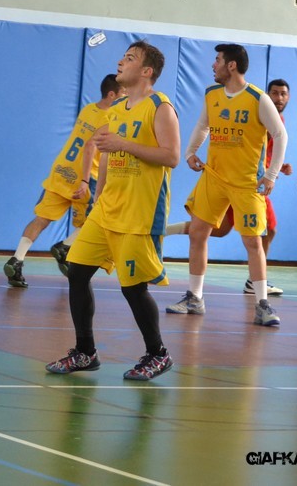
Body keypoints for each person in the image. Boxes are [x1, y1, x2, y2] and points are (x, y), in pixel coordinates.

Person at [46, 41, 179, 381]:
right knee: (76, 271)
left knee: (133, 287)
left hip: (139, 213)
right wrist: (98, 195)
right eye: (123, 56)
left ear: (146, 71)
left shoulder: (160, 107)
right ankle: (85, 352)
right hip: (107, 209)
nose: (121, 61)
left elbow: (171, 156)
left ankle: (158, 354)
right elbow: (106, 152)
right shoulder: (117, 107)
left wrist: (125, 145)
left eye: (130, 58)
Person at [166, 44, 287, 326]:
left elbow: (280, 135)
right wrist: (191, 152)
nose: (213, 65)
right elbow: (203, 125)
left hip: (246, 183)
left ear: (231, 65)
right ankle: (195, 297)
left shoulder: (258, 98)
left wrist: (271, 175)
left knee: (253, 242)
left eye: (217, 60)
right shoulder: (212, 94)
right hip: (214, 177)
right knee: (198, 233)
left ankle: (262, 304)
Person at [4, 74, 121, 288]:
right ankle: (64, 247)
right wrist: (85, 180)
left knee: (41, 219)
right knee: (95, 221)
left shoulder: (88, 109)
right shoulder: (111, 118)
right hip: (85, 176)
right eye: (124, 93)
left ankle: (16, 259)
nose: (127, 97)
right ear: (112, 94)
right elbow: (90, 147)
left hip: (61, 170)